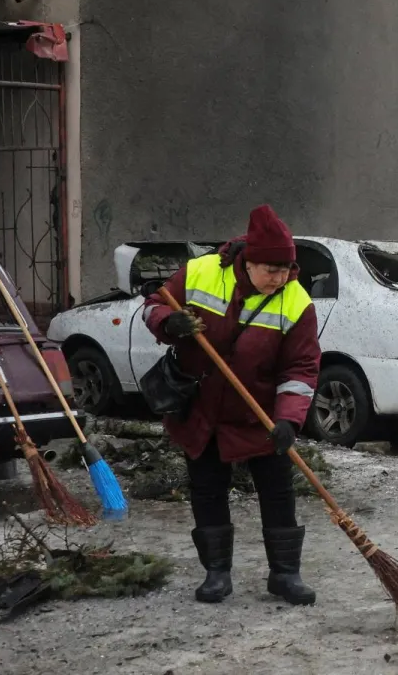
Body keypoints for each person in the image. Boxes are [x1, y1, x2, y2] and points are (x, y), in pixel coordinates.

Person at [142, 204, 321, 605]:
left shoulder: (296, 301)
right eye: (271, 270)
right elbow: (156, 304)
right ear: (248, 260)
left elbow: (302, 366)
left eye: (286, 270)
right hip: (201, 409)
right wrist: (169, 324)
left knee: (277, 492)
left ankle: (285, 575)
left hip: (258, 414)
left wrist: (289, 419)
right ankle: (216, 574)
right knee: (207, 490)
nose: (279, 279)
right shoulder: (201, 272)